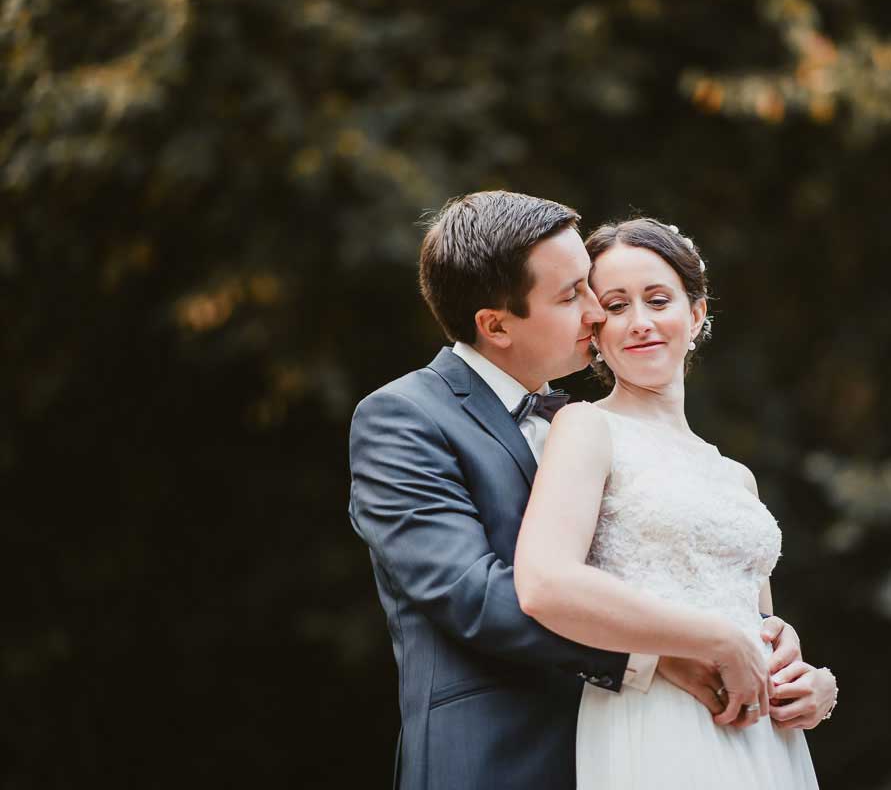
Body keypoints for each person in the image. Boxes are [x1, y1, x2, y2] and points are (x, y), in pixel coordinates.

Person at [348, 192, 832, 790]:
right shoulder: (404, 417)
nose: (597, 313)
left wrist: (787, 666)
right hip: (502, 754)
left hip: (662, 738)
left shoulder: (587, 423)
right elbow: (470, 591)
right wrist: (653, 656)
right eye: (574, 295)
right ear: (495, 324)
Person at [513, 218, 833, 789]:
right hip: (658, 721)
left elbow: (757, 624)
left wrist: (808, 684)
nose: (639, 323)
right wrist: (712, 640)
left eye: (658, 300)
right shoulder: (586, 428)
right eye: (615, 306)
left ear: (697, 314)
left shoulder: (735, 477)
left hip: (767, 737)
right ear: (595, 328)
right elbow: (545, 584)